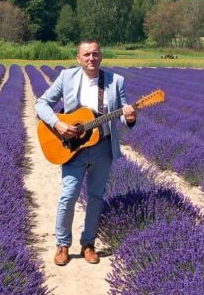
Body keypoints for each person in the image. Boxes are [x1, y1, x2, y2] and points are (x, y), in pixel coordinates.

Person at [35, 39, 137, 266]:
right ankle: (62, 244)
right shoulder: (66, 78)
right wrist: (57, 124)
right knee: (68, 196)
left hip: (103, 148)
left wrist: (129, 117)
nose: (92, 58)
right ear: (78, 58)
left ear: (101, 56)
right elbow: (41, 104)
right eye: (87, 54)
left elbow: (121, 112)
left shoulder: (115, 81)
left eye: (96, 54)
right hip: (73, 149)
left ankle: (88, 243)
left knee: (96, 197)